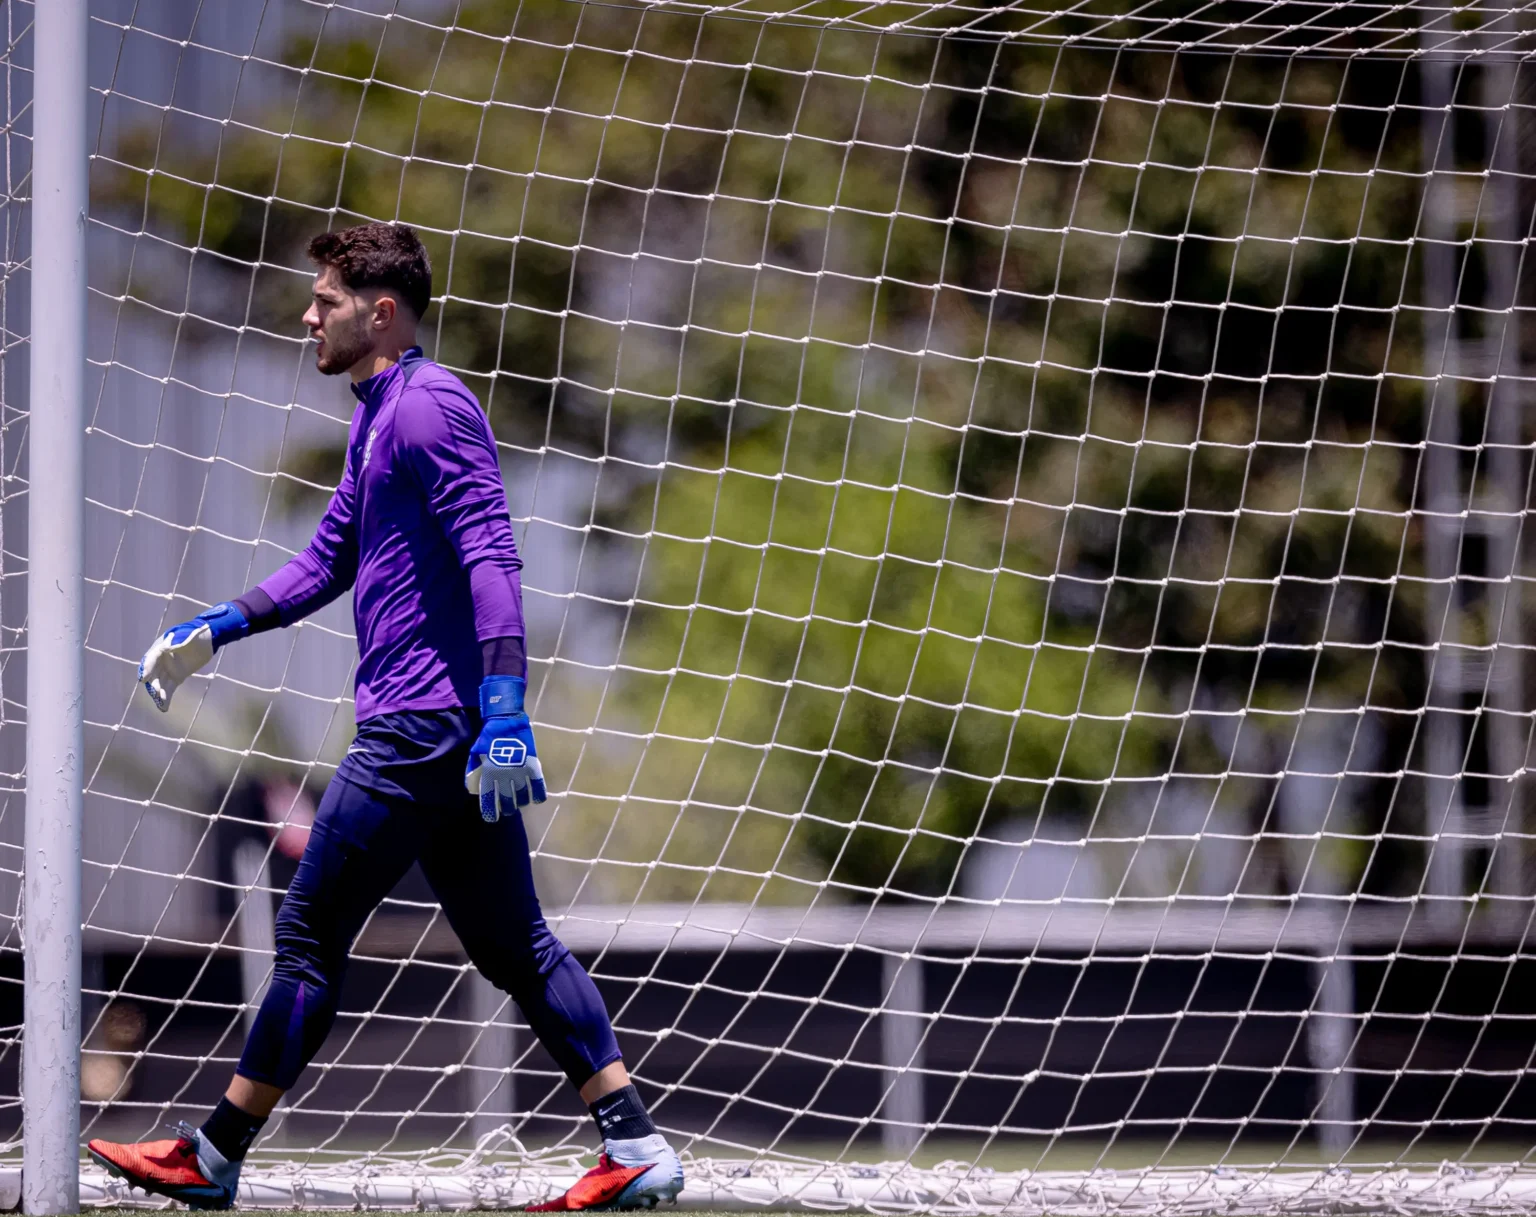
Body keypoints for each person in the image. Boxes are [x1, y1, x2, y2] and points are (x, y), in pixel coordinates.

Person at [86, 222, 683, 1213]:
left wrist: (504, 707)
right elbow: (328, 557)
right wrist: (219, 626)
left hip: (420, 729)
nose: (308, 315)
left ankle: (216, 1151)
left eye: (325, 300)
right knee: (515, 945)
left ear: (382, 312)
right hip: (447, 737)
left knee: (312, 934)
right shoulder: (378, 417)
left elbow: (494, 556)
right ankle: (636, 1139)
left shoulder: (429, 406)